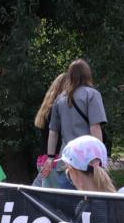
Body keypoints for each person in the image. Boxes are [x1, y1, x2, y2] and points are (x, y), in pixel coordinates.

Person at [43, 59, 107, 190]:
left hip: (67, 161)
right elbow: (95, 127)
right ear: (87, 74)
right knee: (89, 200)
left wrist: (50, 157)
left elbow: (53, 131)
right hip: (87, 162)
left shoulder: (60, 99)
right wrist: (98, 157)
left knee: (68, 200)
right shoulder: (92, 94)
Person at [32, 72, 67, 187]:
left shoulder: (47, 109)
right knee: (53, 196)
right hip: (54, 161)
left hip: (44, 159)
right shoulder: (58, 110)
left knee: (36, 192)